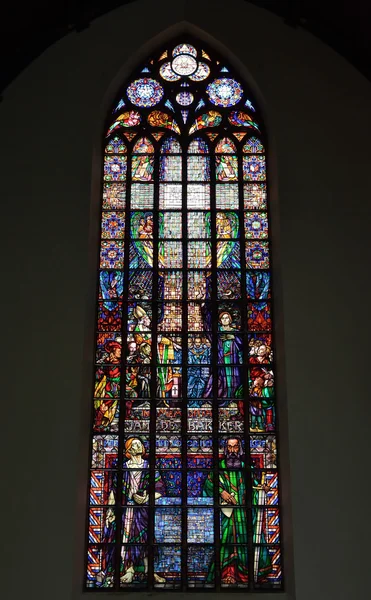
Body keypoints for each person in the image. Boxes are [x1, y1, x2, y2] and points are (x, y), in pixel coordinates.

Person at [203, 438, 272, 585]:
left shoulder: (246, 468)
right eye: (229, 447)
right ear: (225, 449)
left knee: (248, 540)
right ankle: (227, 574)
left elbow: (255, 487)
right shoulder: (219, 467)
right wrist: (221, 492)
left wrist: (262, 489)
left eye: (235, 448)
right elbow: (209, 485)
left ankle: (251, 575)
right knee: (226, 543)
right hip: (227, 515)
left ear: (239, 449)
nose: (232, 451)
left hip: (244, 514)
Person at [105, 438, 166, 584]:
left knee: (145, 538)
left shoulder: (150, 467)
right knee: (125, 539)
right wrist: (110, 510)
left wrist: (146, 499)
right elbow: (114, 492)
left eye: (140, 444)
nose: (140, 446)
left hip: (143, 511)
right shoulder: (123, 468)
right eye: (135, 444)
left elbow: (160, 489)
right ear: (129, 450)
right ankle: (129, 571)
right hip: (125, 510)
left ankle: (149, 571)